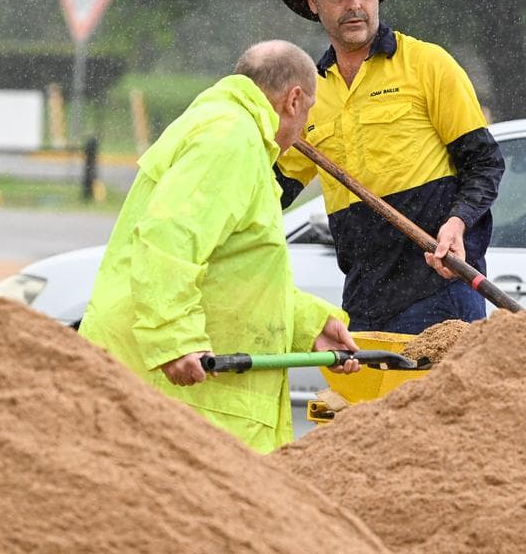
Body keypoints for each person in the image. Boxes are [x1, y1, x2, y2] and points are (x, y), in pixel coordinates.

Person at [80, 40, 361, 453]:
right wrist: (174, 338)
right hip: (182, 395)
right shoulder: (232, 139)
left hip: (188, 394)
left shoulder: (227, 133)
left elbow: (234, 271)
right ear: (294, 100)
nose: (303, 130)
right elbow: (169, 237)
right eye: (309, 113)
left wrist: (307, 324)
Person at [273, 0, 504, 334]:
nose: (354, 5)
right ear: (312, 1)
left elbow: (484, 164)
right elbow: (273, 192)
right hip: (364, 301)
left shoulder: (428, 64)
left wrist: (457, 223)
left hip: (441, 291)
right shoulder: (309, 92)